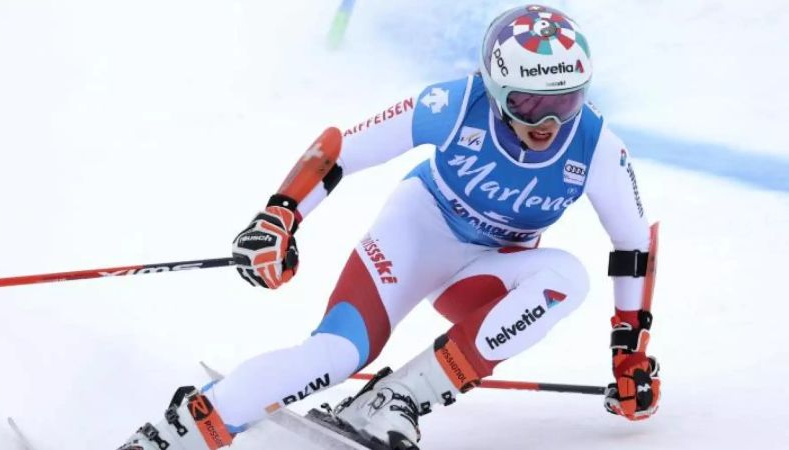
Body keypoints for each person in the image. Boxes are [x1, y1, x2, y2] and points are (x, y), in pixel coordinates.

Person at [119, 4, 661, 450]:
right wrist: (280, 216)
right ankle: (188, 426)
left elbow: (633, 242)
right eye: (527, 103)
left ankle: (398, 398)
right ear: (496, 90)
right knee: (338, 356)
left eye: (565, 102)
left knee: (566, 278)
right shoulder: (453, 104)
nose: (548, 123)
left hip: (486, 273)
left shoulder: (595, 148)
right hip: (416, 235)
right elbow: (341, 149)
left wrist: (629, 350)